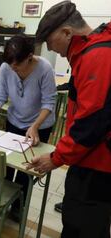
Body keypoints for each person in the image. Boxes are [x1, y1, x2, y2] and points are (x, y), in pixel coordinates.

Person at [27, 1, 111, 237]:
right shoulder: (93, 50)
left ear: (66, 32)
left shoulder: (97, 57)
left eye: (51, 43)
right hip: (89, 158)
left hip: (96, 165)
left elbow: (90, 124)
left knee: (81, 227)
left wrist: (56, 158)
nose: (52, 50)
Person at [0, 35, 57, 220]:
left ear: (30, 57)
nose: (13, 68)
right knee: (6, 165)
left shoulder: (44, 69)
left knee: (27, 169)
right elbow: (0, 96)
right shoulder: (7, 68)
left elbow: (49, 103)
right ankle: (2, 199)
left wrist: (35, 126)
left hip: (39, 126)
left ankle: (18, 206)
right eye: (10, 65)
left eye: (17, 65)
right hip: (14, 121)